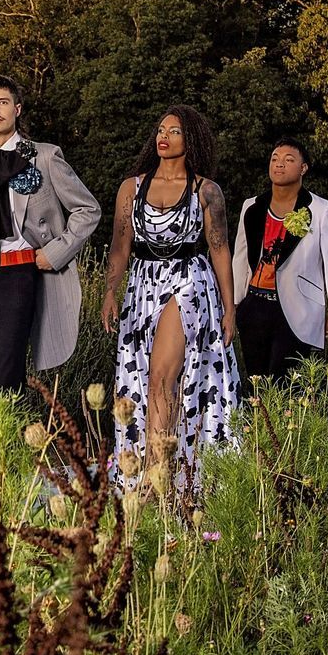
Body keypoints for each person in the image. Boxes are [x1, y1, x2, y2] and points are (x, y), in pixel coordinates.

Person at [100, 105, 239, 492]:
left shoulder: (206, 191)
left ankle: (157, 472)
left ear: (190, 138)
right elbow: (120, 245)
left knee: (162, 375)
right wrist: (110, 291)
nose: (164, 136)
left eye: (174, 131)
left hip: (189, 283)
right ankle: (158, 463)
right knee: (142, 379)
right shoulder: (132, 188)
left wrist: (230, 308)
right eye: (161, 129)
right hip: (142, 287)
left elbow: (220, 250)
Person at [0, 76, 102, 400]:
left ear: (17, 108)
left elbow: (88, 209)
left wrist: (55, 252)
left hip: (18, 275)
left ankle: (8, 445)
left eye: (2, 102)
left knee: (7, 372)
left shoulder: (44, 156)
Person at [230, 137, 328, 378]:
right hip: (255, 306)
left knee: (288, 385)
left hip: (297, 309)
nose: (279, 164)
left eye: (288, 159)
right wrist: (233, 305)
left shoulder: (320, 209)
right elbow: (240, 257)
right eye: (275, 159)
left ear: (303, 168)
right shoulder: (252, 206)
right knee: (256, 382)